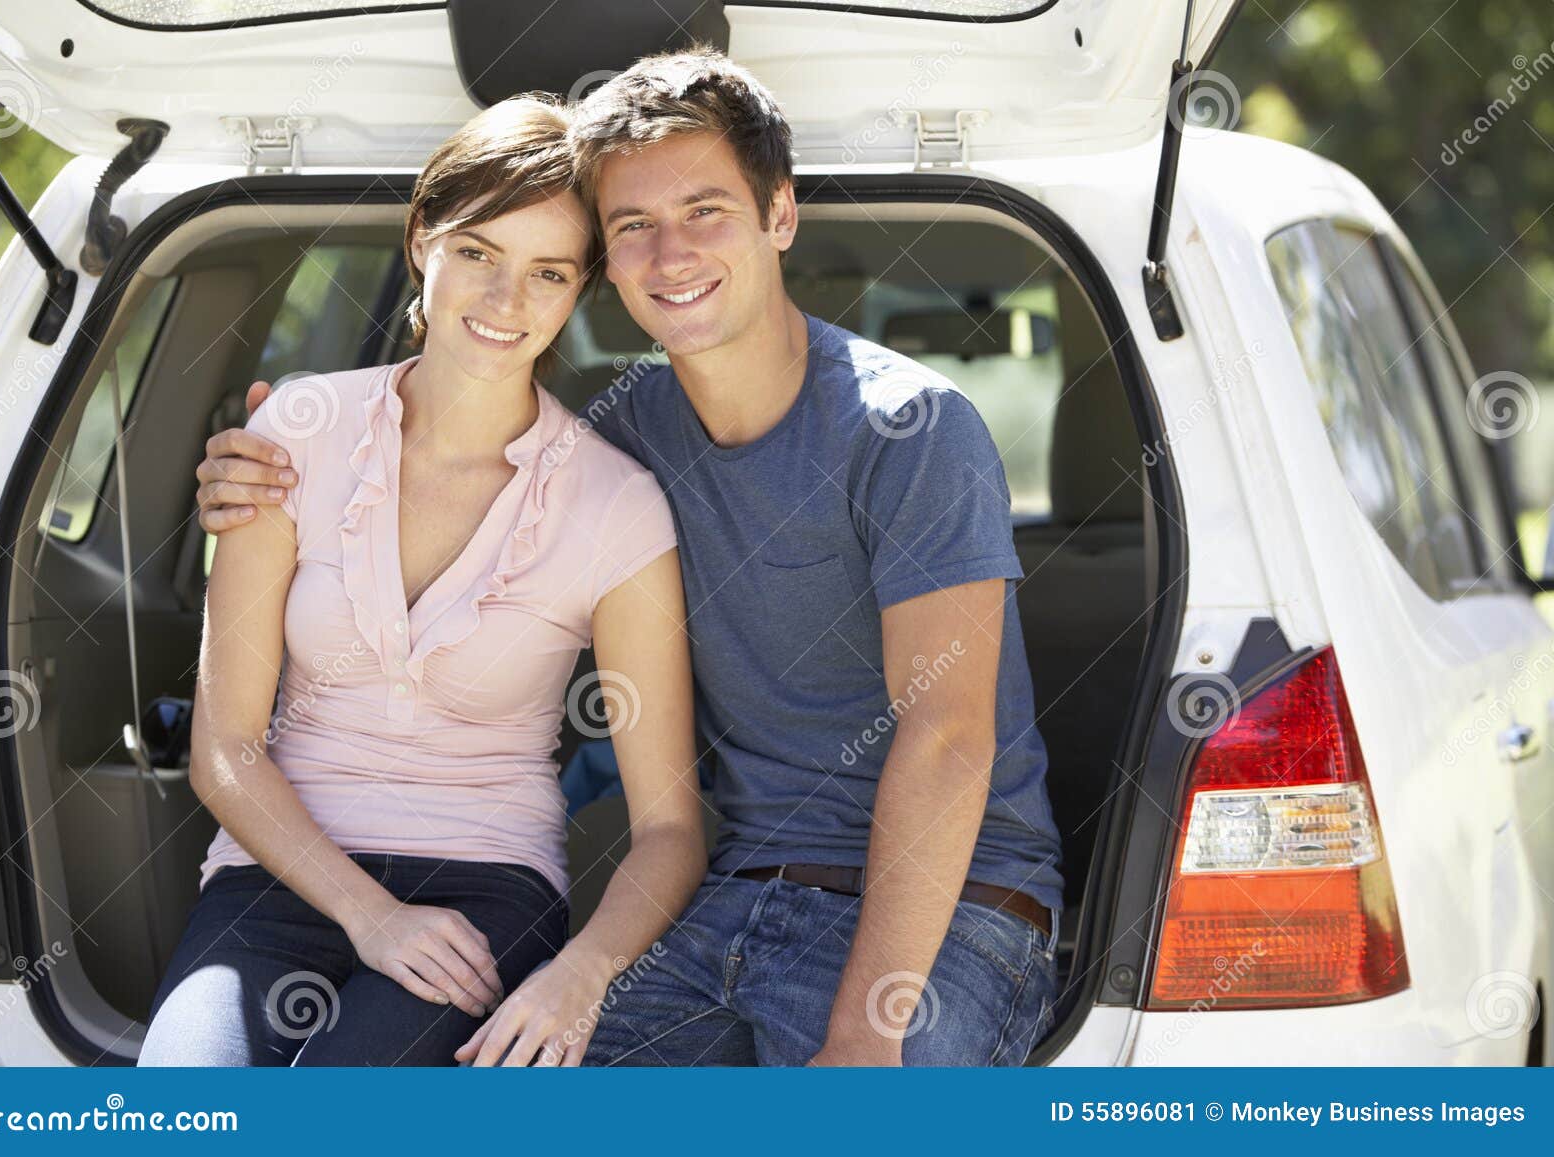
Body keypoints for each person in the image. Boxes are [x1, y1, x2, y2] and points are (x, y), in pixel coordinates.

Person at [194, 48, 1063, 1068]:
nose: (671, 252)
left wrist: (865, 1038)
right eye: (634, 226)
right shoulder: (624, 438)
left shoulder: (908, 429)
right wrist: (254, 466)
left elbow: (947, 738)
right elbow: (478, 435)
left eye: (705, 211)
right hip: (738, 893)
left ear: (780, 214)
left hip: (953, 910)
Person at [142, 94, 705, 1067]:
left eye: (548, 272)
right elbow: (223, 747)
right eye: (478, 252)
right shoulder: (297, 434)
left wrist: (582, 971)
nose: (506, 299)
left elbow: (668, 826)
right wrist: (370, 914)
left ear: (577, 291)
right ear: (421, 242)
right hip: (277, 870)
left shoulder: (617, 503)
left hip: (488, 886)